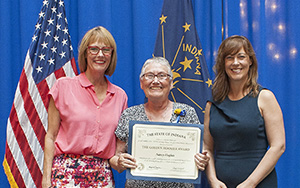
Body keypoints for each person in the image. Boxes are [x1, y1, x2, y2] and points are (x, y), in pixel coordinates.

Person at [42, 26, 128, 188]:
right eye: (94, 49)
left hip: (102, 177)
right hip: (65, 176)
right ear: (85, 53)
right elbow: (50, 136)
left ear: (112, 55)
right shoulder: (62, 87)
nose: (100, 54)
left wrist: (124, 162)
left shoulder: (120, 96)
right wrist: (46, 179)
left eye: (106, 50)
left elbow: (118, 151)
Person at [109, 57, 210, 188]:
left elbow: (202, 152)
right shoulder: (129, 115)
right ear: (141, 83)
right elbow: (115, 157)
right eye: (150, 76)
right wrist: (119, 162)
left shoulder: (187, 113)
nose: (155, 81)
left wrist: (202, 160)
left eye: (162, 76)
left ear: (171, 83)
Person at [203, 35, 285, 188]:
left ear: (250, 61)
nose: (235, 63)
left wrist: (250, 183)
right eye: (229, 57)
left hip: (259, 184)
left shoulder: (265, 97)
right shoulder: (212, 104)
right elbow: (207, 148)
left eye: (241, 57)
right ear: (223, 63)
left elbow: (278, 146)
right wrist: (213, 180)